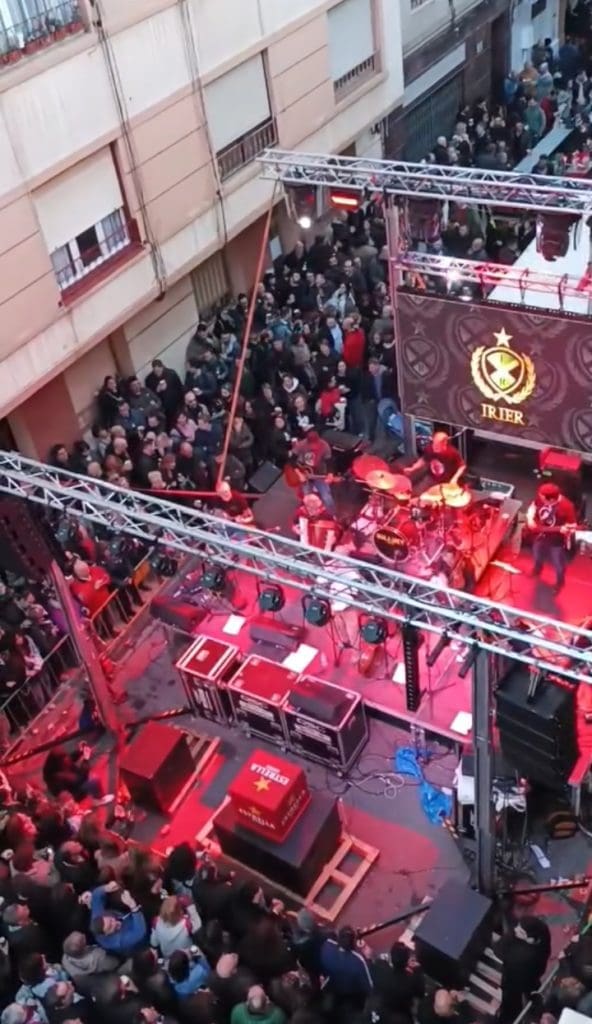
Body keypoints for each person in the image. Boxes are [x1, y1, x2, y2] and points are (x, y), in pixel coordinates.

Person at [526, 481, 577, 593]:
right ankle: (537, 570)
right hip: (540, 536)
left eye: (542, 498)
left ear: (551, 499)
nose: (540, 499)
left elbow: (573, 526)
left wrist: (566, 530)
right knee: (537, 554)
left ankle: (559, 583)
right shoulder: (541, 499)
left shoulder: (567, 506)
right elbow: (532, 507)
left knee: (558, 564)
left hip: (556, 541)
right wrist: (530, 519)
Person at [319, 926, 373, 1009]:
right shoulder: (358, 960)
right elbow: (369, 986)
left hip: (334, 990)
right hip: (353, 996)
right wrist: (368, 958)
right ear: (353, 942)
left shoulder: (326, 947)